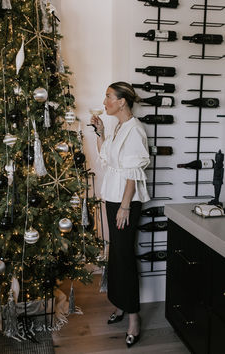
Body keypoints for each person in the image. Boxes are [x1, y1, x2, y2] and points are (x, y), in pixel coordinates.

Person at [90, 82, 150, 348]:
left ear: (122, 101)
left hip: (125, 202)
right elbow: (108, 159)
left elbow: (133, 173)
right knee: (116, 253)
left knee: (124, 257)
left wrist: (126, 206)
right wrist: (101, 132)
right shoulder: (118, 128)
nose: (105, 101)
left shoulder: (135, 131)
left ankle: (134, 318)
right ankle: (121, 305)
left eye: (108, 97)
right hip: (113, 198)